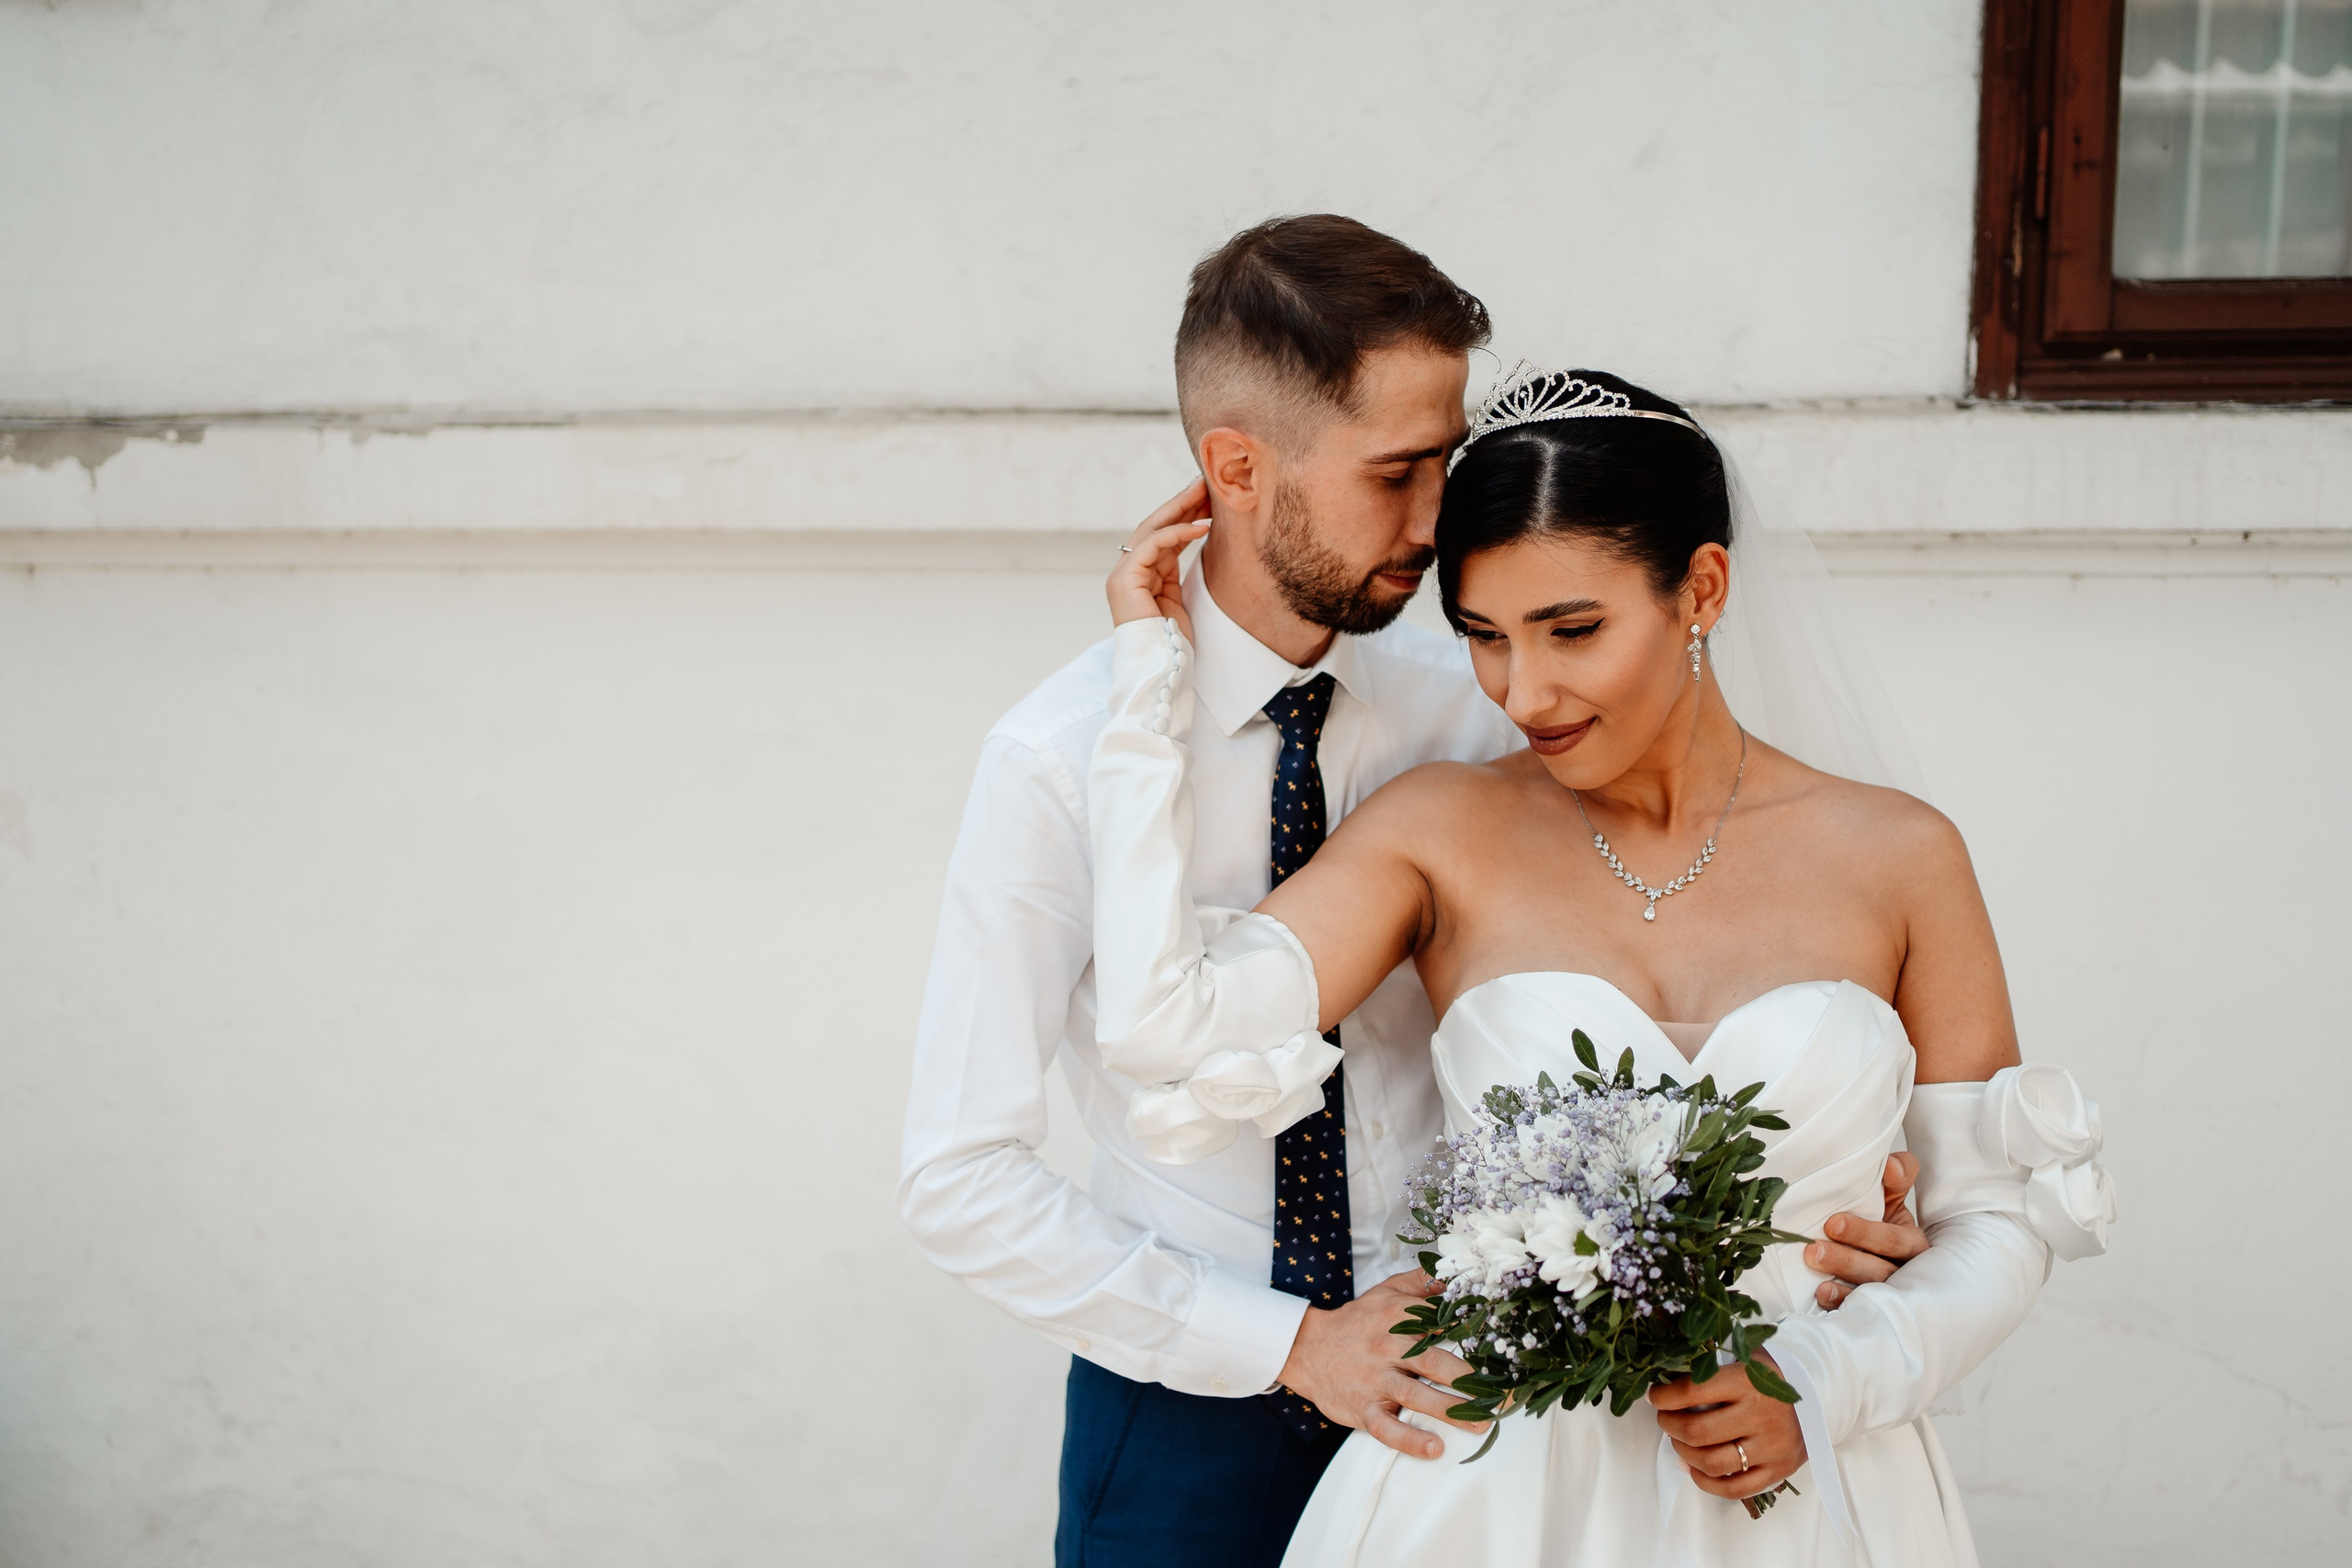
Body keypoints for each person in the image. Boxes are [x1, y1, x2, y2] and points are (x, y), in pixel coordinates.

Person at [897, 217, 1930, 1568]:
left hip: (1506, 1411)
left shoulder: (1497, 703)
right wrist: (1291, 1346)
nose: (1442, 516)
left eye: (1445, 459)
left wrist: (1819, 1195)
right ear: (1238, 467)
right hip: (1191, 1415)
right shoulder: (1060, 759)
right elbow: (958, 1175)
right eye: (1397, 473)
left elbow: (1671, 943)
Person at [1088, 361, 2116, 1566]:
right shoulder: (1438, 833)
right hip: (1489, 1498)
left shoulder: (1899, 856)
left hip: (1802, 1485)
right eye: (1484, 637)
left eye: (1573, 630)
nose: (1526, 691)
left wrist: (1825, 1379)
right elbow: (1169, 1026)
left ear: (1704, 588)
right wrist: (1148, 681)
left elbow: (1992, 1220)